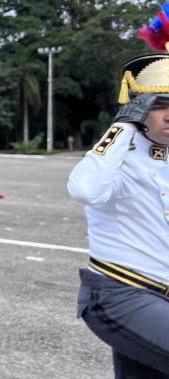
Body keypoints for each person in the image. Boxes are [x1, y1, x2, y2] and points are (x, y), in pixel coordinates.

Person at [68, 54, 169, 377]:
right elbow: (84, 189)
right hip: (120, 294)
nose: (168, 115)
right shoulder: (116, 159)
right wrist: (123, 125)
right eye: (157, 104)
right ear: (137, 109)